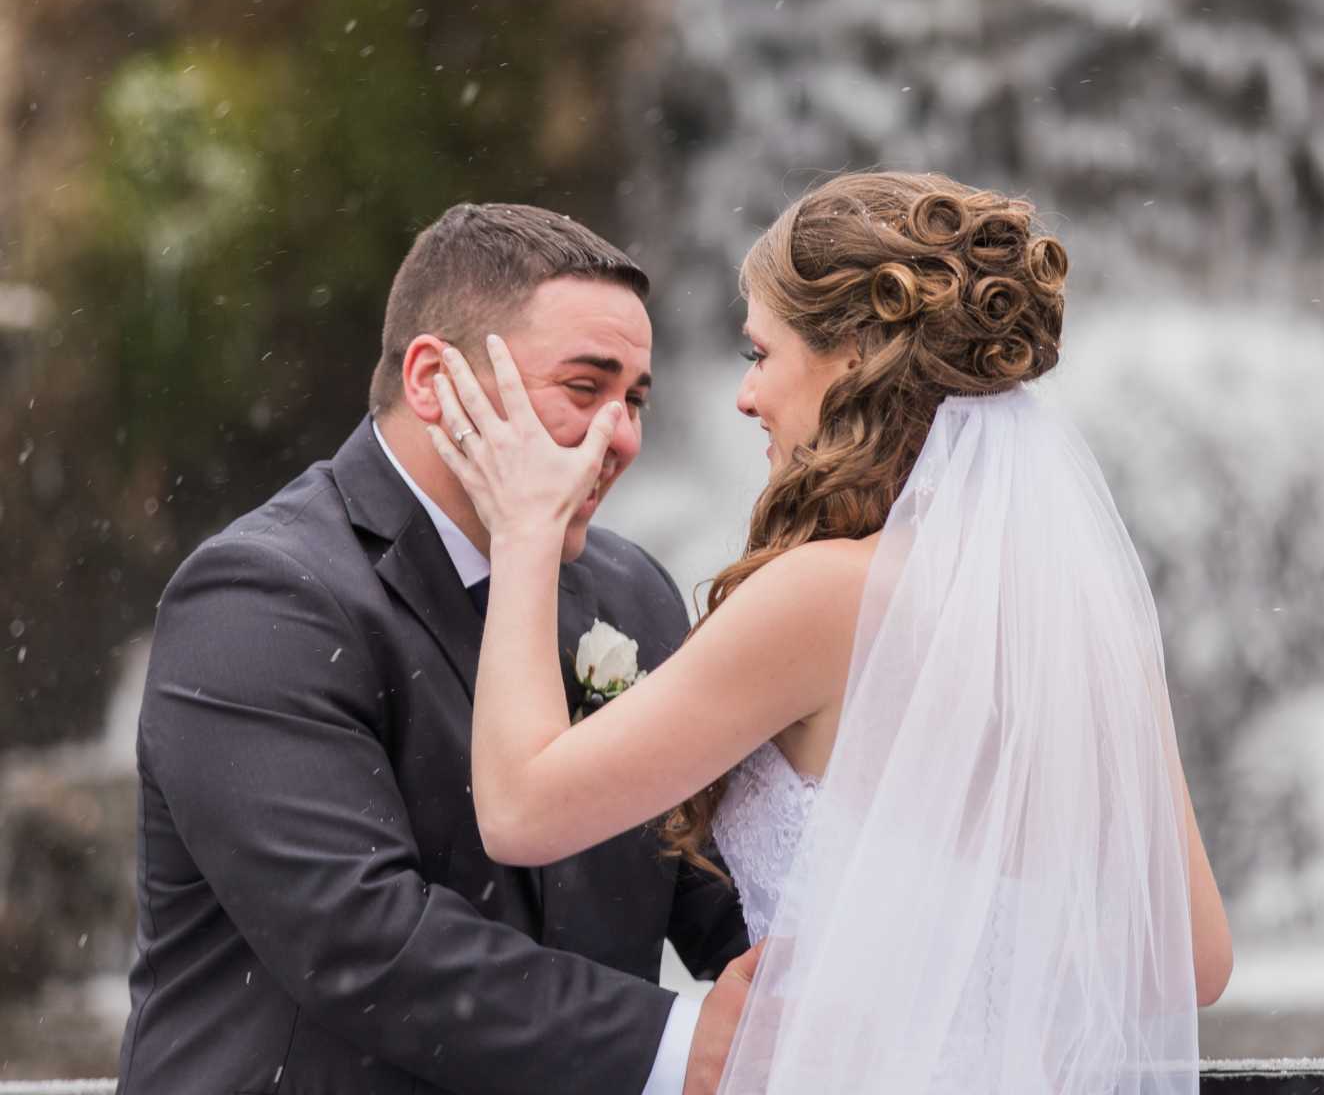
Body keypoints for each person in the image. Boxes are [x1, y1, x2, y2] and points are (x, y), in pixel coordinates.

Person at [433, 171, 1234, 1093]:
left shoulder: (823, 598)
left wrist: (528, 531)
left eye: (758, 355)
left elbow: (523, 809)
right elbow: (1195, 959)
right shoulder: (1084, 627)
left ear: (852, 352)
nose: (745, 398)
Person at [117, 203, 756, 1095]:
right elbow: (361, 940)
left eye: (636, 401)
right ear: (431, 379)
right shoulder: (262, 596)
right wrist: (687, 1044)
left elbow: (714, 878)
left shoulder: (632, 590)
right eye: (585, 388)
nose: (623, 440)